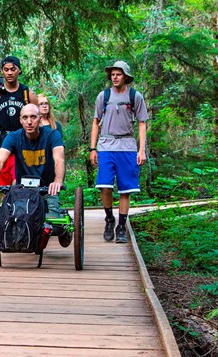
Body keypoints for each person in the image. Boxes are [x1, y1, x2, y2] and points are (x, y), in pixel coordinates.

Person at [89, 60, 148, 243]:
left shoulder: (134, 96)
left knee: (126, 189)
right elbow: (96, 121)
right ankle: (109, 219)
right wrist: (92, 148)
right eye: (113, 74)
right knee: (104, 186)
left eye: (119, 74)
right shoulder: (103, 96)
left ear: (126, 77)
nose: (115, 77)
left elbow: (142, 122)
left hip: (127, 146)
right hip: (106, 145)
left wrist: (141, 150)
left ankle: (121, 226)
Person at [0, 104, 65, 217]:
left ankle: (60, 217)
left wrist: (57, 181)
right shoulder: (13, 137)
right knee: (16, 220)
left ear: (40, 119)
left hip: (47, 190)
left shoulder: (52, 135)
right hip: (21, 191)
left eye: (33, 117)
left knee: (53, 225)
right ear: (20, 120)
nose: (29, 122)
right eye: (25, 117)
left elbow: (59, 160)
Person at [0, 56, 38, 188]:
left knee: (20, 185)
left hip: (22, 145)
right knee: (2, 189)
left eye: (13, 69)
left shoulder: (28, 94)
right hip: (0, 144)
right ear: (2, 71)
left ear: (19, 70)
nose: (9, 73)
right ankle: (4, 208)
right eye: (6, 70)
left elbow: (38, 121)